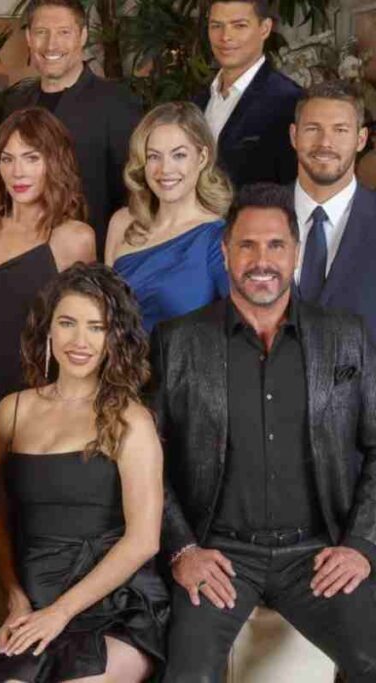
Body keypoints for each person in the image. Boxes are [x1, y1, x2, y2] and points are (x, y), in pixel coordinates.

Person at [151, 183, 376, 681]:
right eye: (247, 245)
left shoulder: (346, 336)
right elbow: (146, 462)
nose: (261, 261)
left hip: (315, 554)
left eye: (276, 245)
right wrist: (182, 548)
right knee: (187, 676)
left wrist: (362, 544)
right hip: (220, 556)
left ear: (295, 252)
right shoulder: (177, 342)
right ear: (225, 251)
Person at [0, 263, 167, 682]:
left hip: (116, 604)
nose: (80, 341)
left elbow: (144, 540)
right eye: (67, 323)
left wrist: (60, 612)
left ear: (114, 338)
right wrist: (15, 597)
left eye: (96, 327)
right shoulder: (12, 411)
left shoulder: (131, 419)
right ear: (48, 329)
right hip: (36, 598)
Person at [0, 108, 95, 427]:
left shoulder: (74, 238)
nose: (18, 172)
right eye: (7, 159)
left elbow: (86, 339)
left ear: (54, 162)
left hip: (40, 410)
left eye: (31, 158)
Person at [2, 0, 141, 254]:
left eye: (64, 32)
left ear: (83, 36)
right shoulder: (14, 104)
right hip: (21, 256)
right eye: (41, 32)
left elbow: (133, 196)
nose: (51, 45)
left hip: (89, 258)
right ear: (29, 38)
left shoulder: (117, 103)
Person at [106, 102, 232, 332]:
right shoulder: (122, 223)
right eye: (154, 156)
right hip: (119, 356)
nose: (165, 169)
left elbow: (237, 326)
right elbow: (104, 318)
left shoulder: (218, 237)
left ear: (202, 157)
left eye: (179, 155)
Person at [290, 80, 376, 340]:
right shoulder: (253, 215)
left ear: (361, 139)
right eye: (313, 128)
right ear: (294, 135)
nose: (325, 142)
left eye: (340, 130)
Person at [193, 0, 302, 188]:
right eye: (216, 26)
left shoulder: (289, 100)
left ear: (265, 28)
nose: (225, 37)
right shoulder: (198, 99)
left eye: (239, 26)